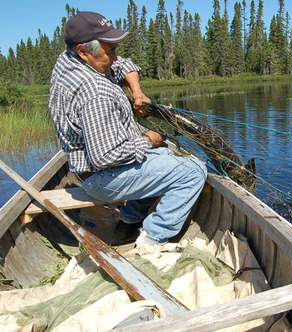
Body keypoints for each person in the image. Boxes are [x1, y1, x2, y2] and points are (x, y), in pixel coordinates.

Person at [48, 11, 207, 253]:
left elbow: (124, 64)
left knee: (166, 157)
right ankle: (152, 241)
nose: (114, 57)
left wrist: (137, 91)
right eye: (109, 51)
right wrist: (148, 139)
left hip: (92, 171)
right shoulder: (95, 92)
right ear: (83, 51)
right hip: (102, 177)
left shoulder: (70, 59)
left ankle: (128, 220)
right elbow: (105, 157)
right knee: (193, 171)